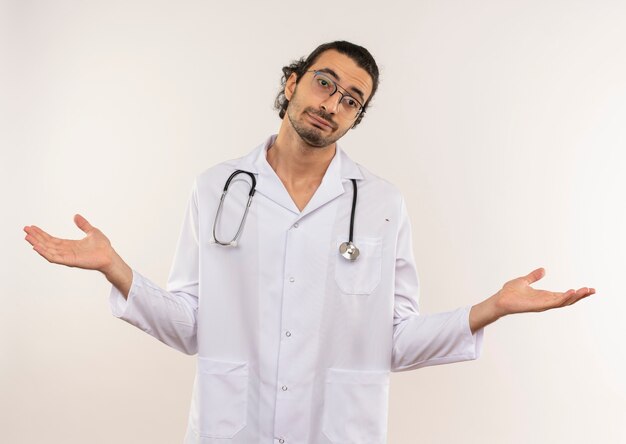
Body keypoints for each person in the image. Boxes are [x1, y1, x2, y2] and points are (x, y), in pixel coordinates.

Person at [23, 41, 595, 444]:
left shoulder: (380, 204)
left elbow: (392, 340)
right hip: (234, 425)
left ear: (355, 118)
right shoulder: (216, 188)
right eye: (325, 83)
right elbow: (191, 325)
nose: (333, 103)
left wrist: (491, 309)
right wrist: (116, 269)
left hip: (335, 427)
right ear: (293, 82)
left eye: (352, 99)